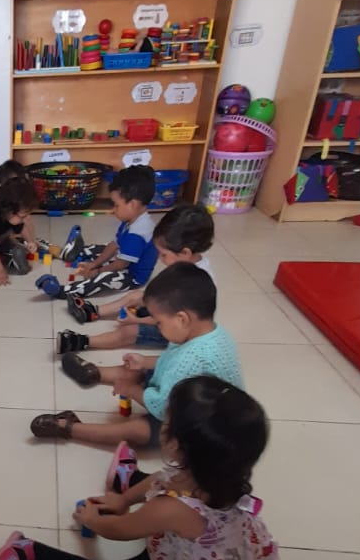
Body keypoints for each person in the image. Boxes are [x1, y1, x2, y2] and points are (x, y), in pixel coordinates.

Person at [0, 376, 276, 560]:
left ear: (176, 445)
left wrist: (93, 520)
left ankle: (31, 551)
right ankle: (126, 478)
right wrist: (123, 500)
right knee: (165, 480)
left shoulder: (170, 509)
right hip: (229, 547)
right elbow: (165, 477)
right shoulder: (219, 475)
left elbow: (120, 530)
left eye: (167, 421)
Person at [30, 262, 243, 448]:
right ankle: (93, 373)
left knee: (138, 430)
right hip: (184, 393)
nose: (158, 327)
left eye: (159, 322)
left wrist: (131, 391)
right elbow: (173, 361)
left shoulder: (191, 359)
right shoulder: (210, 333)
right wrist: (145, 361)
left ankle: (71, 428)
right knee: (140, 370)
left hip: (199, 425)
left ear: (182, 319)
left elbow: (162, 409)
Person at [57, 203, 215, 368]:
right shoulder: (185, 266)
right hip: (168, 311)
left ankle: (83, 341)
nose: (159, 258)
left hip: (178, 331)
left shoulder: (194, 283)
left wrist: (138, 320)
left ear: (185, 253)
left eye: (163, 254)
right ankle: (92, 311)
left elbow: (167, 319)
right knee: (136, 296)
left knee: (129, 331)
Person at [37, 164, 158, 303]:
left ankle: (63, 291)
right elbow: (114, 245)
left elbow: (121, 265)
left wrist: (98, 271)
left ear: (133, 204)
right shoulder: (132, 219)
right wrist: (94, 263)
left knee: (103, 279)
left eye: (116, 205)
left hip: (131, 275)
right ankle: (69, 252)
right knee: (100, 248)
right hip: (123, 259)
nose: (113, 210)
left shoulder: (137, 234)